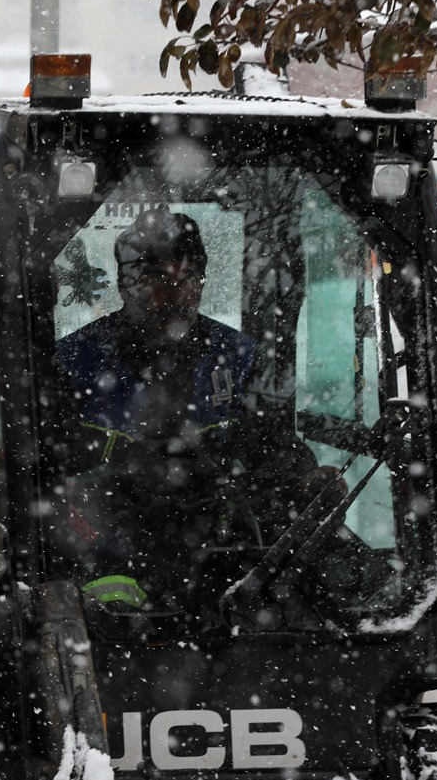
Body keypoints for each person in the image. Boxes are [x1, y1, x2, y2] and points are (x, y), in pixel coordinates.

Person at [53, 207, 330, 611]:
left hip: (216, 553)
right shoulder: (75, 360)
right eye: (157, 280)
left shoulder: (235, 355)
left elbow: (266, 438)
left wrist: (303, 476)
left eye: (188, 278)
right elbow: (49, 462)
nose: (176, 292)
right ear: (125, 285)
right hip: (105, 557)